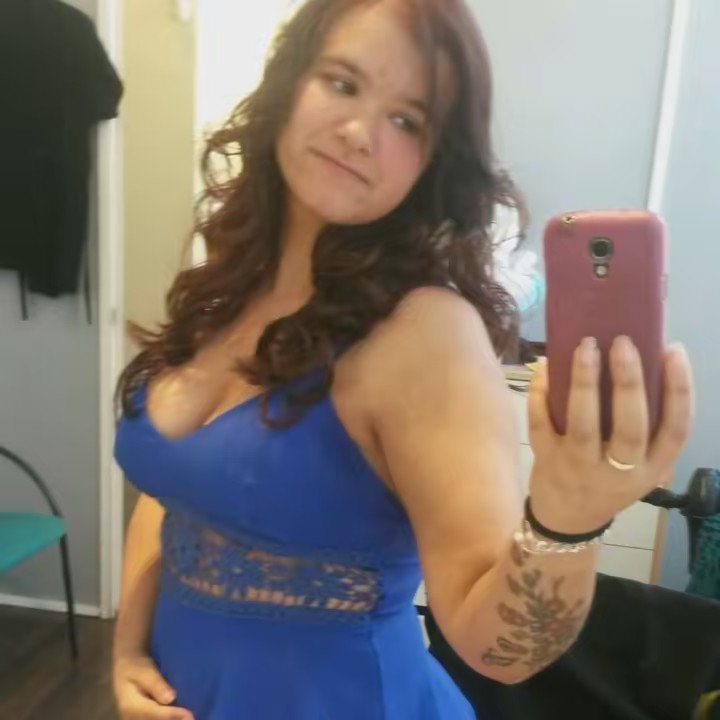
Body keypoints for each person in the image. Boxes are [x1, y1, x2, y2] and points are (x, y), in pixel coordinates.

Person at [112, 1, 694, 718]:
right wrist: (128, 648)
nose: (359, 132)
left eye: (407, 120)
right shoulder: (229, 284)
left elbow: (496, 650)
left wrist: (567, 523)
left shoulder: (426, 333)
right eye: (343, 83)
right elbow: (173, 491)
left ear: (433, 161)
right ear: (290, 84)